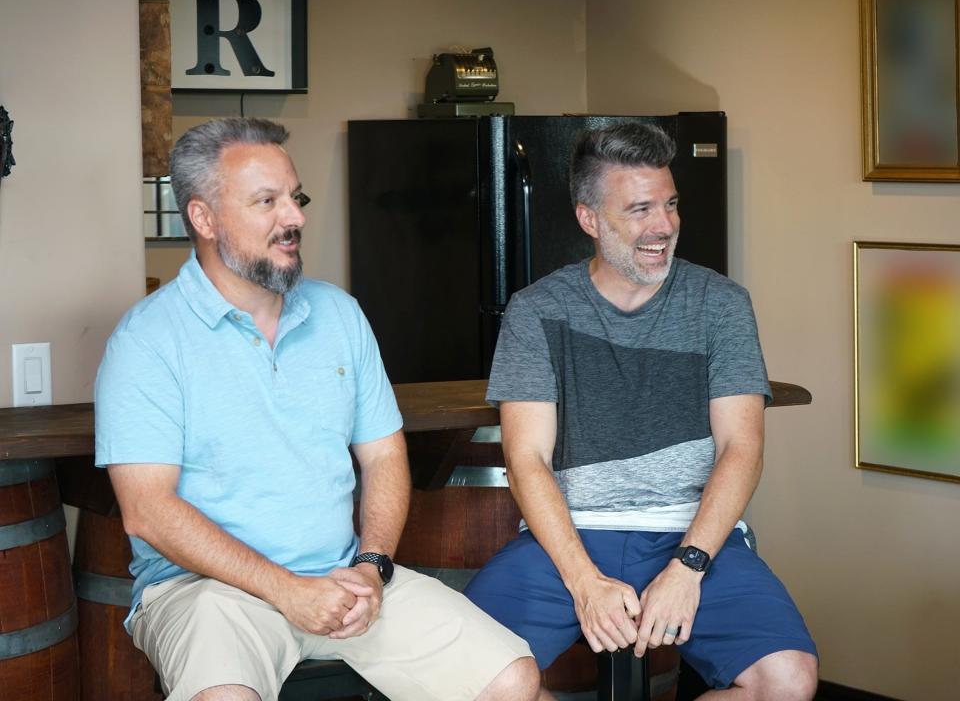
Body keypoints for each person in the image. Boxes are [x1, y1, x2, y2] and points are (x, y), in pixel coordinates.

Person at [94, 117, 540, 701]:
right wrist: (285, 590)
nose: (295, 217)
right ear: (203, 218)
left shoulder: (339, 314)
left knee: (513, 680)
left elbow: (383, 456)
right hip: (206, 592)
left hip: (344, 579)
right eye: (267, 201)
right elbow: (147, 511)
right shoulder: (147, 339)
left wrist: (373, 566)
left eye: (295, 197)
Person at [464, 123, 819, 700]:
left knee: (788, 680)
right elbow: (526, 457)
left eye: (671, 204)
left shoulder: (720, 305)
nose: (664, 226)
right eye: (640, 209)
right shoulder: (535, 312)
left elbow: (742, 448)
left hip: (695, 535)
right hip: (568, 542)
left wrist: (689, 566)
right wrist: (583, 581)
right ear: (590, 220)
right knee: (468, 678)